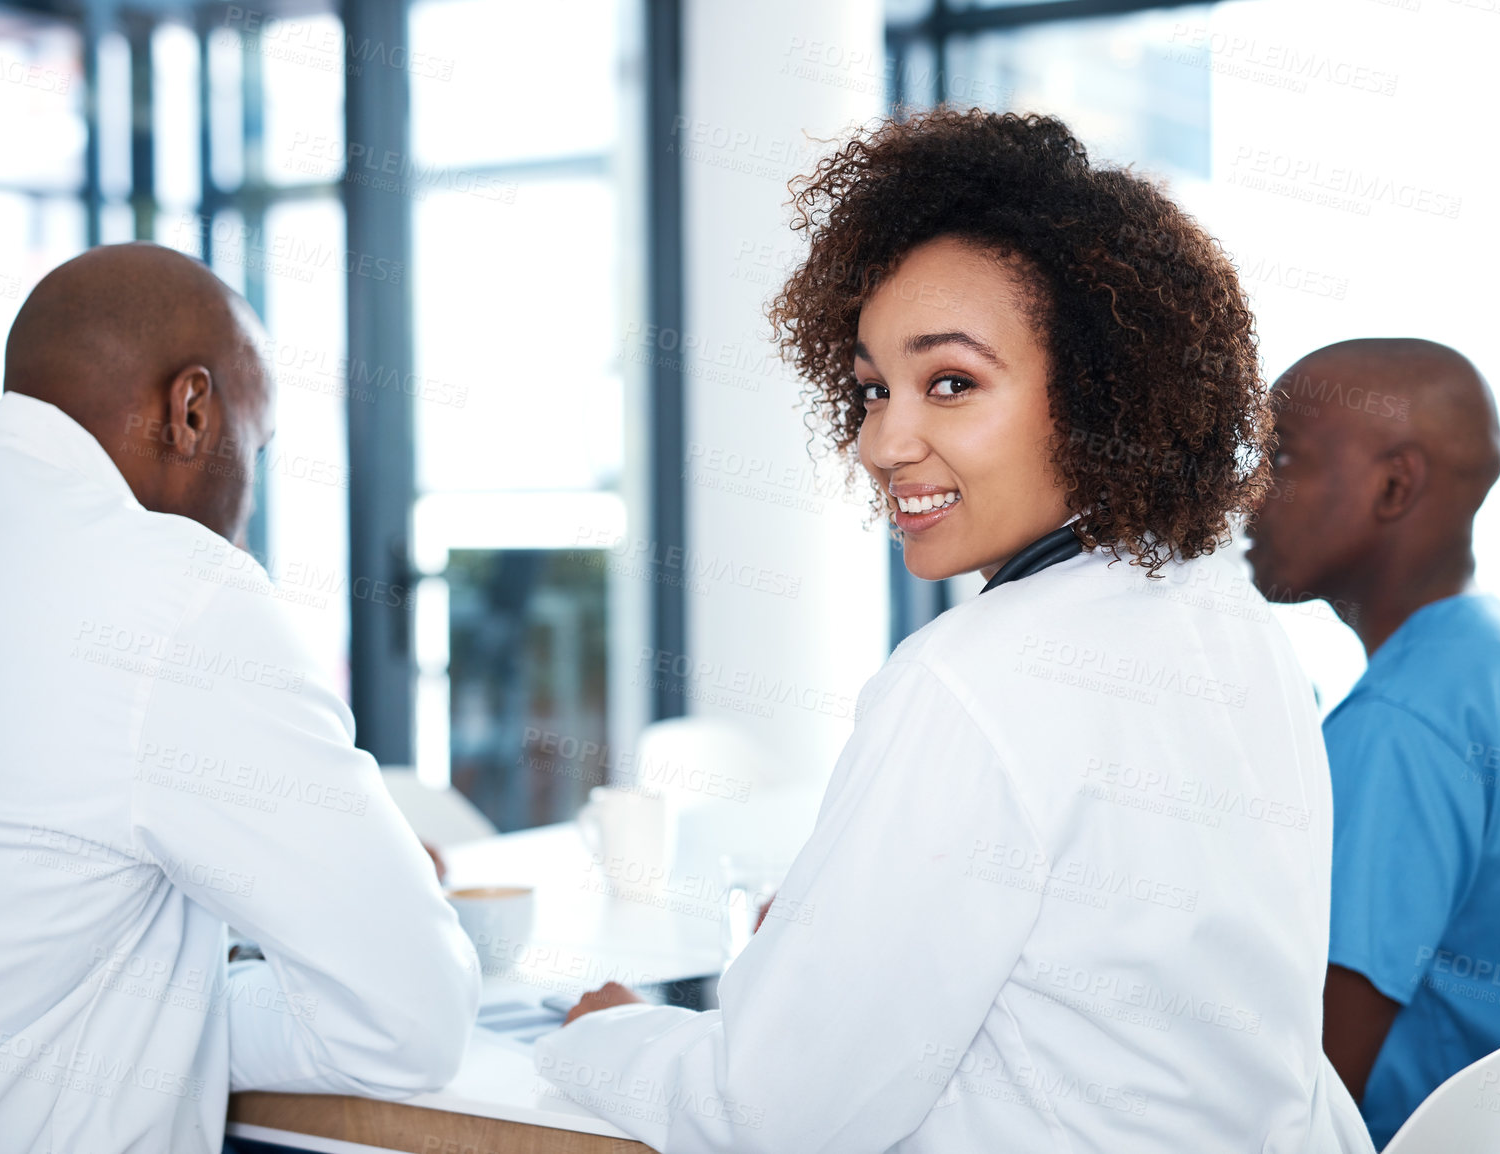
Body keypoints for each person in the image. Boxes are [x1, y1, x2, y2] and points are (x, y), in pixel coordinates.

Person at [536, 110, 1371, 1153]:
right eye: (871, 389)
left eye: (951, 383)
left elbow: (774, 1114)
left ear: (1098, 388)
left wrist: (603, 1037)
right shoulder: (1226, 621)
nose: (884, 440)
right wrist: (824, 948)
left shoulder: (975, 675)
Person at [0, 243, 479, 1153]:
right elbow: (413, 1019)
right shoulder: (181, 596)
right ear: (192, 410)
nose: (250, 496)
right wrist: (205, 997)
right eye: (257, 445)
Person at [1248, 338, 1500, 1148]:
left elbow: (1304, 1092)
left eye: (1280, 457)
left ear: (1395, 485)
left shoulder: (1398, 726)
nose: (1247, 496)